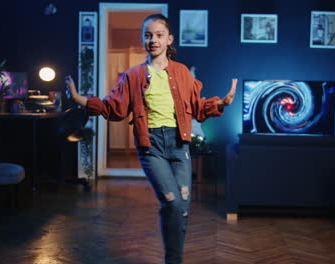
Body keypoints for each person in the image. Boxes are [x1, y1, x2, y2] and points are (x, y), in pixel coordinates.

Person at [66, 13, 237, 264]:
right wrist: (80, 99)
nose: (153, 40)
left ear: (169, 39)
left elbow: (198, 109)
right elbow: (115, 108)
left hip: (180, 146)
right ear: (143, 39)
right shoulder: (133, 75)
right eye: (148, 35)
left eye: (158, 35)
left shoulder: (182, 73)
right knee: (172, 203)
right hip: (151, 147)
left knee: (183, 206)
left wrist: (221, 103)